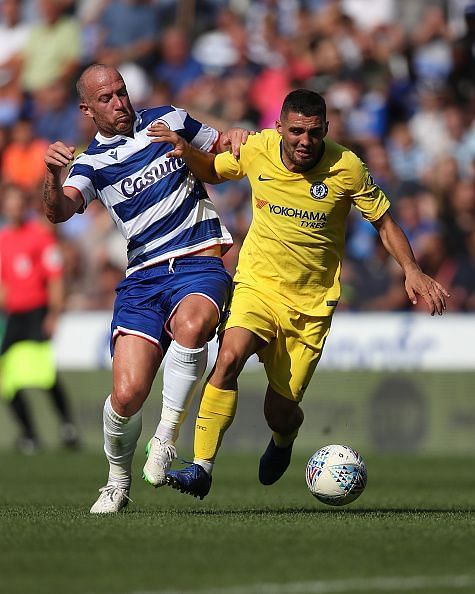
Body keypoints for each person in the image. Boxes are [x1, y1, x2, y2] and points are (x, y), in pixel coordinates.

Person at [147, 88, 450, 499]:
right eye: (295, 131)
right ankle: (201, 467)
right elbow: (214, 171)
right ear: (279, 128)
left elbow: (385, 221)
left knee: (281, 411)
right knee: (229, 357)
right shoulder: (258, 148)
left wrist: (412, 270)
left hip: (310, 305)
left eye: (313, 132)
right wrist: (186, 152)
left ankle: (284, 439)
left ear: (325, 129)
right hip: (256, 286)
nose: (304, 141)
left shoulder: (347, 166)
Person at [43, 64, 249, 513]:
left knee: (194, 325)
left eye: (121, 92)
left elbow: (220, 152)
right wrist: (51, 177)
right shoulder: (90, 164)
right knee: (128, 394)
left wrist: (234, 136)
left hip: (198, 261)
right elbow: (60, 211)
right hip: (142, 280)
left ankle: (166, 437)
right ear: (86, 109)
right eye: (106, 99)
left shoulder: (169, 120)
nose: (119, 103)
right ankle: (117, 481)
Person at [0, 183, 79, 454]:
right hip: (15, 315)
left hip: (38, 311)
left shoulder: (40, 236)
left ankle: (68, 427)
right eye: (9, 203)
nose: (14, 208)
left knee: (44, 374)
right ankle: (29, 434)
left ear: (24, 205)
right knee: (8, 377)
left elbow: (55, 277)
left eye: (18, 202)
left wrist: (54, 314)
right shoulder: (3, 240)